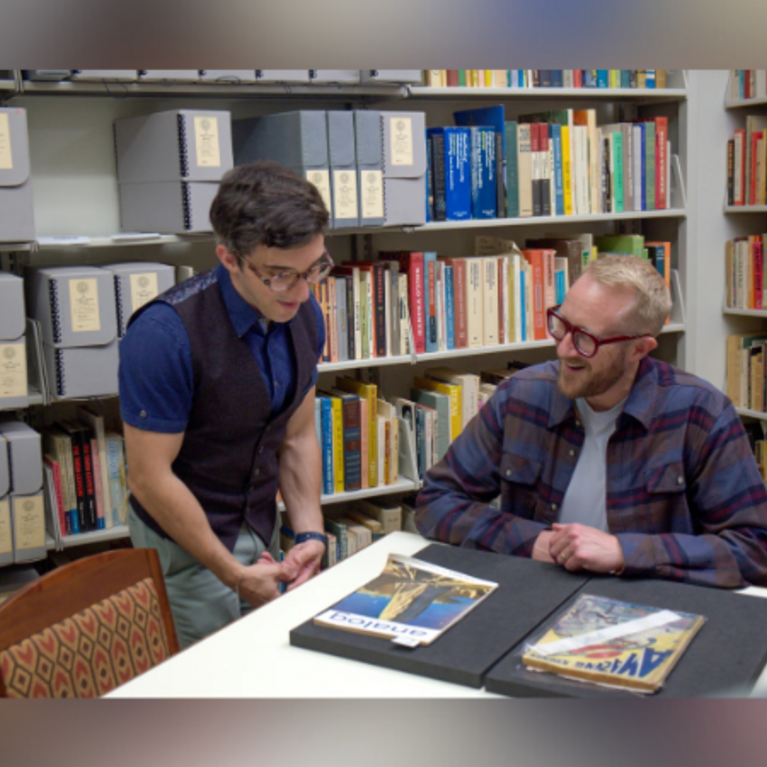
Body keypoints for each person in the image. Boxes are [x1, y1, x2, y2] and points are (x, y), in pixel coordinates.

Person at [416, 254, 767, 589]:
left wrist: (623, 553)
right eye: (562, 324)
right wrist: (534, 542)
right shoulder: (520, 397)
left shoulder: (700, 414)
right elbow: (436, 501)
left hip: (648, 610)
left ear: (639, 350)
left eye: (586, 338)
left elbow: (754, 549)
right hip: (532, 596)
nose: (564, 349)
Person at [119, 161, 331, 648]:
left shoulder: (303, 311)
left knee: (268, 663)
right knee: (210, 686)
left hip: (259, 524)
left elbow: (296, 436)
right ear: (229, 258)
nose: (301, 292)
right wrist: (230, 571)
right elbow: (150, 479)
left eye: (313, 269)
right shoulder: (162, 336)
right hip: (184, 542)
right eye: (280, 276)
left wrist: (310, 535)